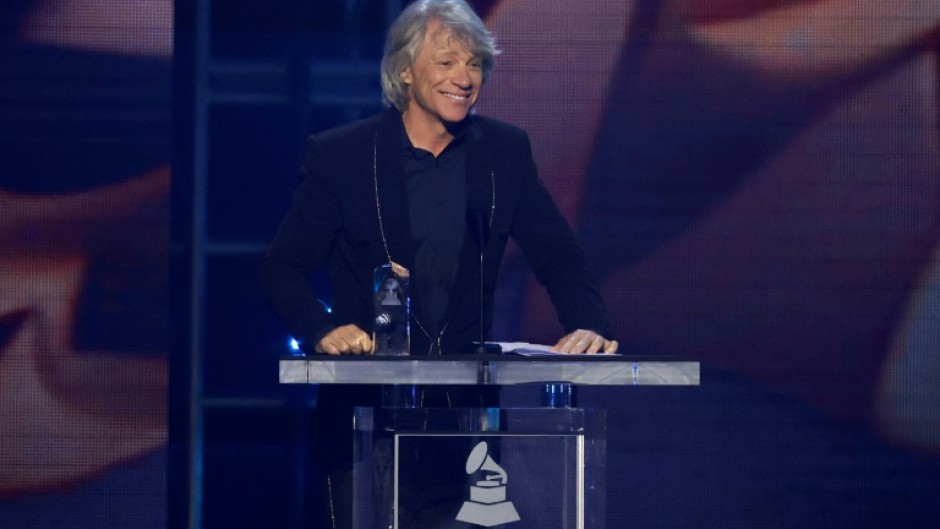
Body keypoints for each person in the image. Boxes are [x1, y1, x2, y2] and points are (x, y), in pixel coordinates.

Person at [259, 1, 617, 526]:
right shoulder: (344, 156)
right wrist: (323, 328)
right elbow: (282, 267)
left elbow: (557, 252)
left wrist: (589, 323)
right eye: (446, 62)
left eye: (474, 64)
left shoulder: (502, 153)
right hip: (366, 421)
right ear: (405, 71)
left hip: (464, 425)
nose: (464, 78)